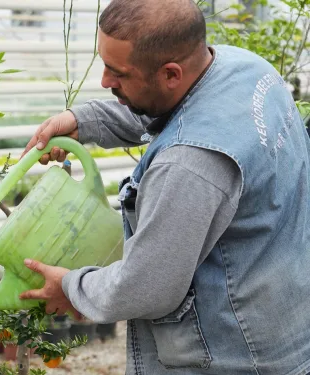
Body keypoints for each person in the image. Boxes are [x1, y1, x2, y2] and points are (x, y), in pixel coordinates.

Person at [17, 0, 310, 374]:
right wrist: (82, 120)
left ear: (171, 73)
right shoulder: (246, 69)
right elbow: (177, 107)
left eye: (117, 72)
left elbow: (145, 287)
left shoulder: (189, 166)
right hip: (285, 322)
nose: (105, 82)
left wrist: (72, 286)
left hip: (235, 356)